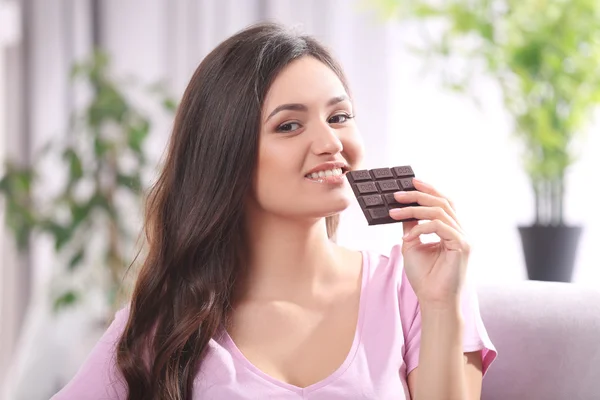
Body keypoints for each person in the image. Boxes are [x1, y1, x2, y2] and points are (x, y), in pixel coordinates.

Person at [51, 21, 497, 400]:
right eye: (289, 125)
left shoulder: (419, 288)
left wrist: (441, 307)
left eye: (339, 117)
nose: (330, 144)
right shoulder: (167, 323)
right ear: (228, 154)